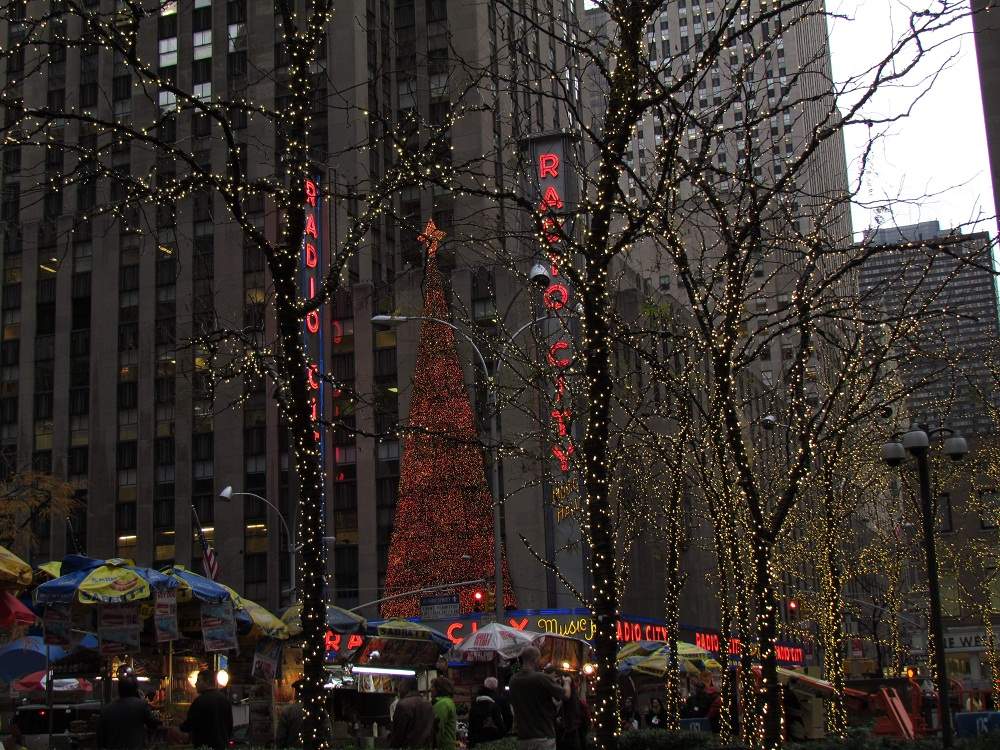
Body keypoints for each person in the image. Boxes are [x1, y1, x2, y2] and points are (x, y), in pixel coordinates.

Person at [508, 646, 571, 750]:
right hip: (543, 737)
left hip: (523, 738)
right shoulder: (541, 678)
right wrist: (567, 682)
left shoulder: (513, 680)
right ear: (536, 659)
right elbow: (566, 695)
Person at [96, 673, 162, 749]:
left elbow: (100, 738)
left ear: (119, 690)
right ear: (135, 690)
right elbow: (152, 724)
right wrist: (161, 722)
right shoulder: (141, 705)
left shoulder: (107, 709)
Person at [179, 670, 233, 750]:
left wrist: (179, 726)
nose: (195, 683)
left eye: (198, 680)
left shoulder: (199, 701)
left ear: (207, 682)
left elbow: (189, 725)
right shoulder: (225, 700)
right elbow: (229, 725)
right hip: (222, 746)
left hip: (204, 746)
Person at [388, 678, 434, 749]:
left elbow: (398, 733)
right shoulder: (428, 704)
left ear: (406, 687)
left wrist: (393, 745)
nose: (399, 689)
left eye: (400, 686)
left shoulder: (403, 705)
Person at [468, 679, 508, 746]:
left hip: (478, 742)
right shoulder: (494, 706)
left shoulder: (473, 707)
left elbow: (471, 728)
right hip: (493, 741)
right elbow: (500, 725)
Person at [432, 677, 458, 750]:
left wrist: (435, 746)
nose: (431, 690)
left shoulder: (442, 704)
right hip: (449, 745)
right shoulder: (448, 701)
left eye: (432, 687)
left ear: (438, 688)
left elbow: (438, 728)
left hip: (443, 746)